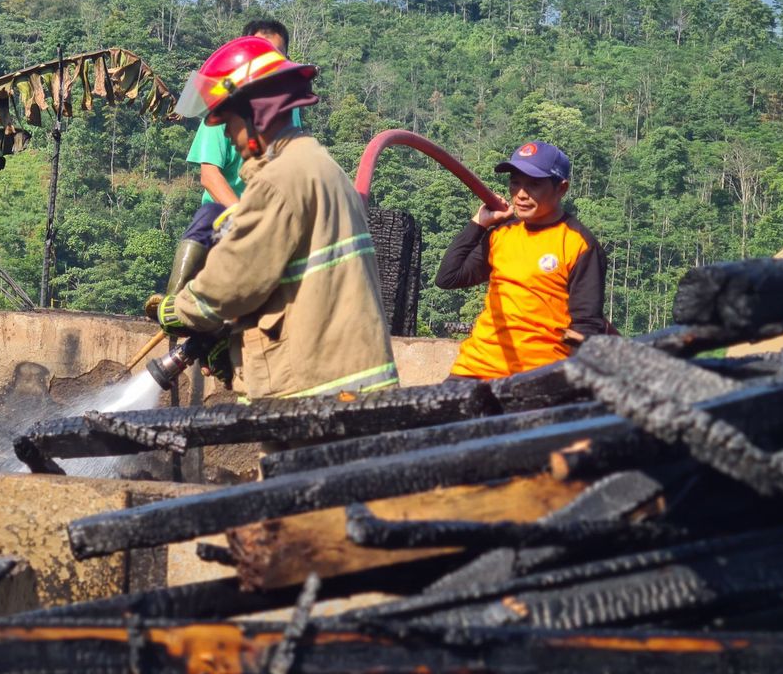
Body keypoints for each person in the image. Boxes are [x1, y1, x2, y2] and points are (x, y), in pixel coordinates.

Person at [148, 35, 397, 401]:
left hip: (313, 394)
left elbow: (232, 281)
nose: (226, 134)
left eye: (228, 122)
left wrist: (175, 310)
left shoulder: (279, 181)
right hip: (344, 384)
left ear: (257, 113)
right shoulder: (319, 166)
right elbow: (288, 285)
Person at [436, 140, 607, 380]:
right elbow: (448, 277)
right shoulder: (501, 234)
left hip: (536, 377)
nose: (521, 195)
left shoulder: (579, 244)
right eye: (515, 183)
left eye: (534, 184)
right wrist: (479, 223)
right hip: (474, 369)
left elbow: (586, 326)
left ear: (561, 188)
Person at [165, 18, 296, 294]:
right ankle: (173, 298)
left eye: (276, 57)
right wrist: (243, 216)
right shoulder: (224, 104)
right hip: (227, 213)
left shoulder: (291, 111)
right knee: (209, 214)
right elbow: (209, 176)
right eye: (260, 54)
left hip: (271, 215)